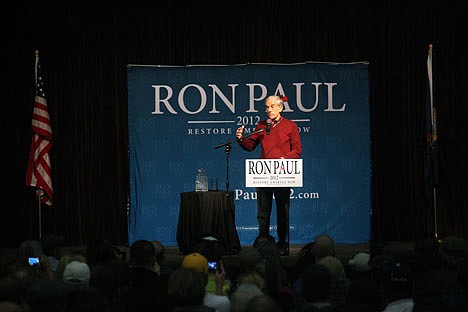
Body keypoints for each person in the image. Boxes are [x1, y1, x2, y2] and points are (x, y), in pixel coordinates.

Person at [236, 95, 302, 256]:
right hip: (264, 173)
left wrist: (283, 159)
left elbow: (297, 150)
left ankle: (282, 243)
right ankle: (263, 242)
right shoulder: (261, 125)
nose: (268, 110)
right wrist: (240, 139)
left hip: (283, 173)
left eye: (272, 106)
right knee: (263, 212)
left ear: (280, 108)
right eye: (266, 107)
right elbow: (250, 145)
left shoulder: (290, 126)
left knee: (282, 211)